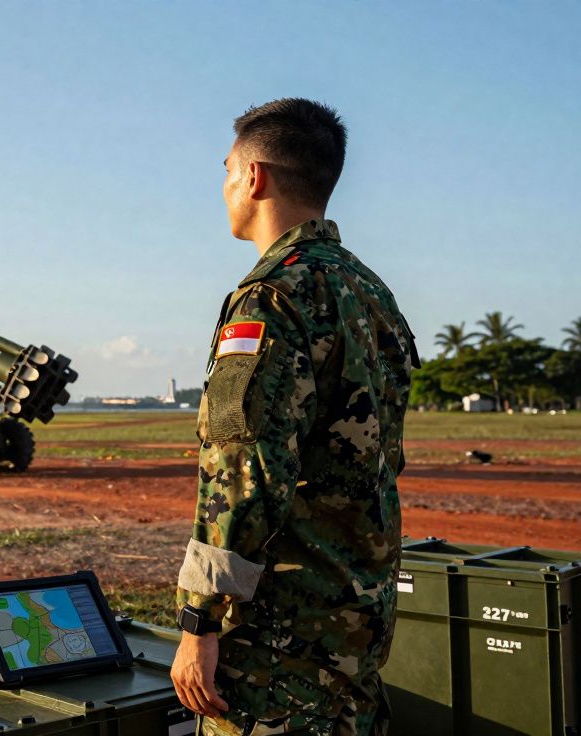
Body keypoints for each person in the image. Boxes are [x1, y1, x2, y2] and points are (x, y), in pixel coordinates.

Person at [169, 98, 417, 736]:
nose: (223, 186)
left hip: (279, 640)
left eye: (226, 170)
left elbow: (244, 473)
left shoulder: (271, 297)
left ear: (254, 177)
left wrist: (199, 621)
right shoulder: (371, 293)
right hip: (358, 615)